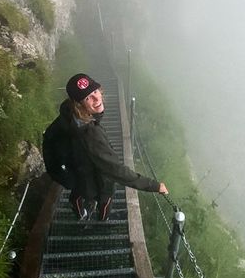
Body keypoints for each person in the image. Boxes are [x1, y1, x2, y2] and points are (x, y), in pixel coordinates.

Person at [44, 72, 168, 221]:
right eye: (88, 97)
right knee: (105, 195)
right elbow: (116, 170)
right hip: (82, 173)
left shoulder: (69, 114)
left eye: (95, 91)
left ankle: (80, 208)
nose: (96, 98)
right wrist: (154, 186)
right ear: (78, 105)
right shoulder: (90, 134)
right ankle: (101, 220)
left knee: (78, 190)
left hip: (74, 167)